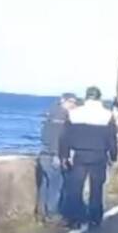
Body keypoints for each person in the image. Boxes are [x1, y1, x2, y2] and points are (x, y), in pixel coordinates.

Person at [59, 86, 118, 229]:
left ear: (86, 97)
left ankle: (75, 219)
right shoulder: (107, 115)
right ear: (99, 98)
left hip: (79, 155)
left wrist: (64, 156)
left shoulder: (74, 114)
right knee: (96, 188)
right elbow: (112, 139)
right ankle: (94, 218)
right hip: (99, 155)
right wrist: (113, 156)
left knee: (75, 189)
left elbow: (65, 137)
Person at [36, 92, 78, 224]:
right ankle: (52, 214)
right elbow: (57, 137)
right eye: (70, 102)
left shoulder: (50, 113)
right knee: (55, 185)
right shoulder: (61, 116)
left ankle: (41, 213)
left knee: (45, 185)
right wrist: (57, 155)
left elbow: (45, 136)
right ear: (63, 101)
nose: (73, 105)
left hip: (44, 153)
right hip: (53, 154)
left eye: (74, 102)